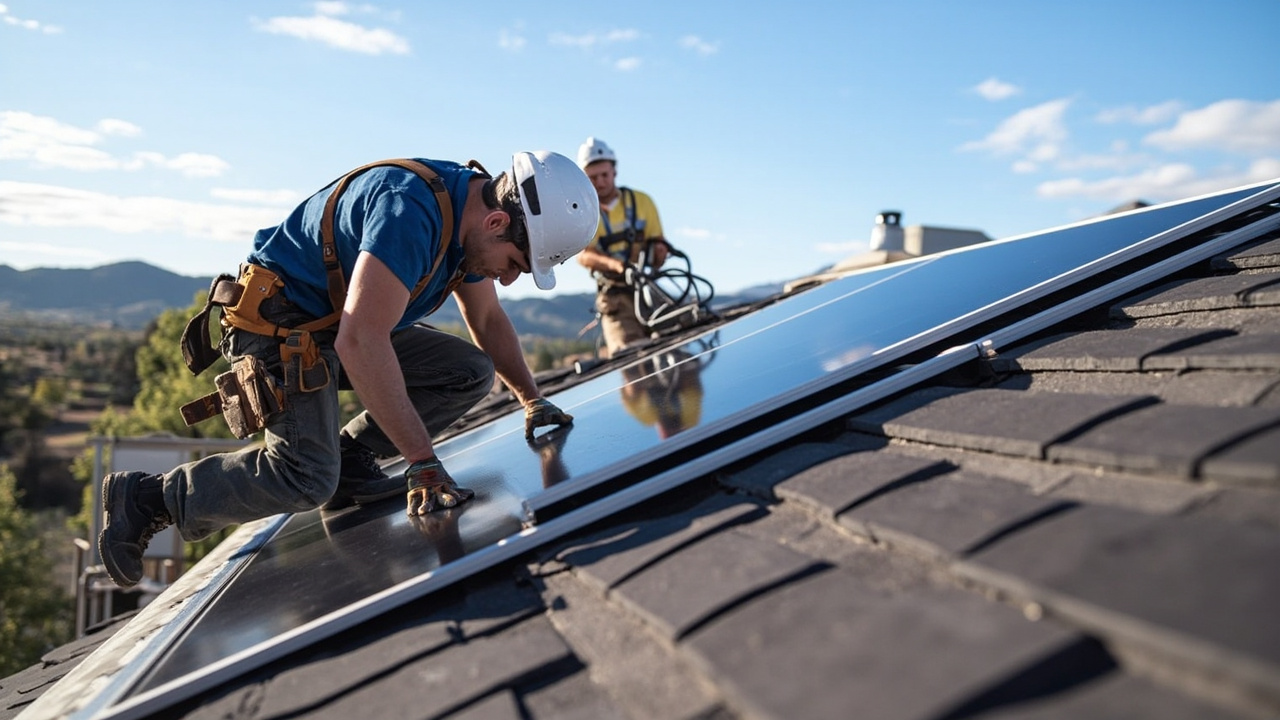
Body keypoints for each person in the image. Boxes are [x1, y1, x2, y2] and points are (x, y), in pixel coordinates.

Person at [97, 150, 598, 588]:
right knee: (305, 478)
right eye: (515, 263)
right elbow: (360, 343)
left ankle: (351, 463)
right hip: (279, 325)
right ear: (496, 223)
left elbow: (486, 318)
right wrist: (422, 461)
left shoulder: (471, 223)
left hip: (339, 324)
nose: (509, 278)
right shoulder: (412, 212)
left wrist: (531, 398)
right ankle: (150, 498)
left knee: (468, 370)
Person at [574, 137, 672, 356]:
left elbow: (659, 245)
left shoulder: (642, 202)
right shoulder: (581, 212)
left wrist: (659, 252)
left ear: (614, 172)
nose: (599, 182)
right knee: (629, 356)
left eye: (604, 175)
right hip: (614, 297)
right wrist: (617, 266)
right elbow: (583, 255)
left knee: (681, 335)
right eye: (592, 178)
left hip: (648, 288)